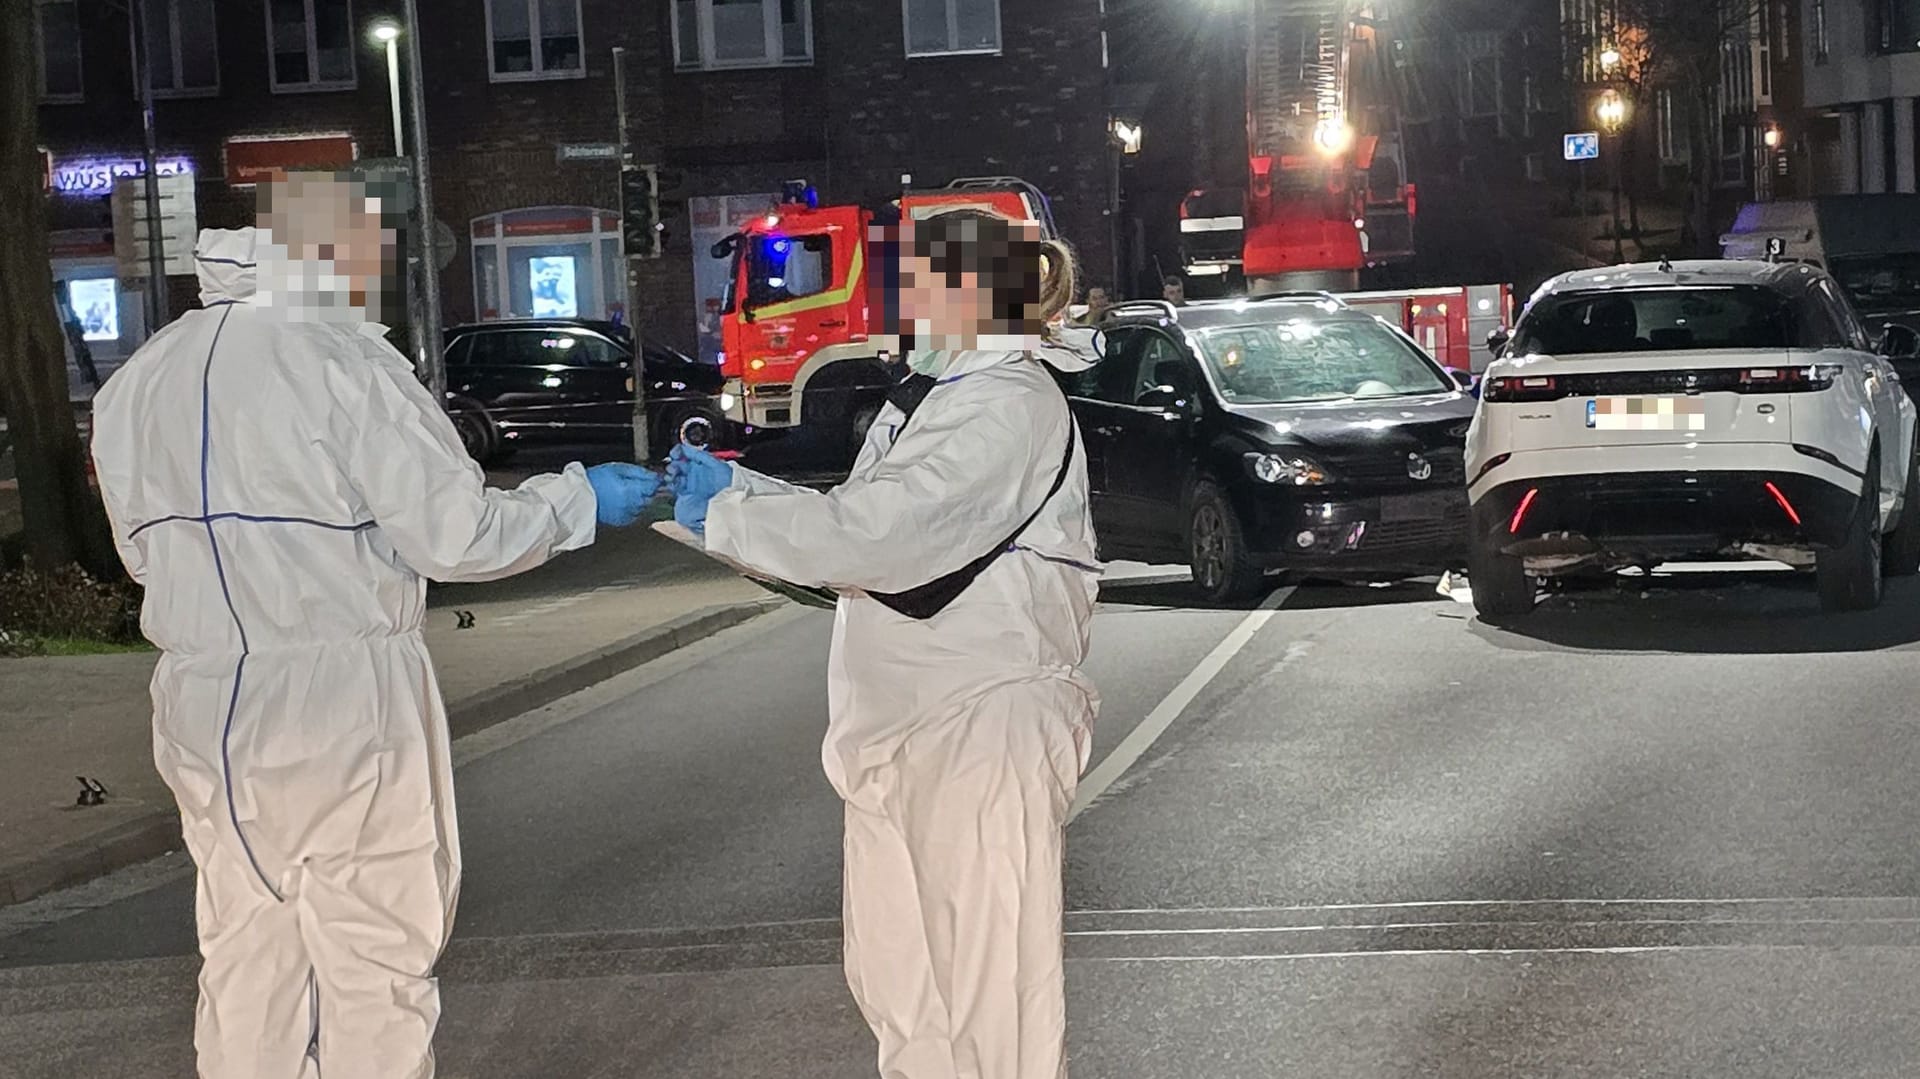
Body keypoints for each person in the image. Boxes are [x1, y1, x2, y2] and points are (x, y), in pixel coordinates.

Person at [88, 172, 662, 1079]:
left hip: (202, 697)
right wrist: (577, 498)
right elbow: (456, 532)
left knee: (247, 951)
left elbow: (141, 552)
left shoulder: (139, 380)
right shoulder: (343, 361)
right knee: (376, 953)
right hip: (342, 692)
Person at [671, 210, 1101, 1079]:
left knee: (994, 1014)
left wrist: (732, 511)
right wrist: (742, 491)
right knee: (905, 998)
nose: (905, 302)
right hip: (903, 729)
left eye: (922, 283)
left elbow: (887, 531)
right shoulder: (945, 400)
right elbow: (864, 522)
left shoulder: (1011, 401)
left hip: (977, 725)